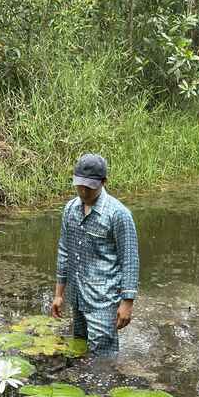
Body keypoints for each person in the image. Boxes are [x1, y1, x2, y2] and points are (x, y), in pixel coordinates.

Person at [50, 153, 139, 357]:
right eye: (79, 185)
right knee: (79, 349)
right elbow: (64, 251)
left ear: (103, 182)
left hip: (104, 300)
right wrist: (58, 294)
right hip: (78, 296)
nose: (83, 190)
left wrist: (127, 303)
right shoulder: (70, 210)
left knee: (102, 359)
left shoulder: (118, 214)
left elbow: (130, 261)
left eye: (89, 186)